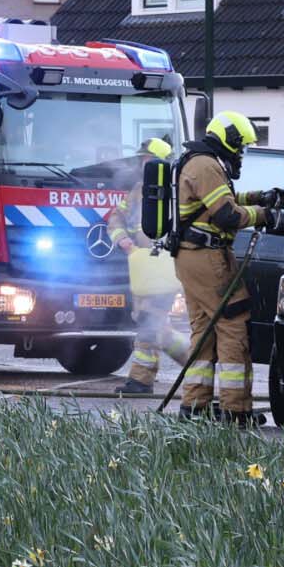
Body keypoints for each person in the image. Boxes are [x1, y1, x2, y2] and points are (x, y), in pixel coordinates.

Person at [173, 112, 284, 424]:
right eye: (241, 146)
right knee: (233, 324)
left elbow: (219, 200)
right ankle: (235, 410)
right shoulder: (206, 165)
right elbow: (227, 215)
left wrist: (258, 197)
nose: (241, 153)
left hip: (192, 255)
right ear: (229, 139)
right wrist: (264, 215)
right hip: (208, 257)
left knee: (204, 330)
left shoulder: (202, 162)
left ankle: (194, 407)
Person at [105, 137, 186, 395]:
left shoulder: (177, 191)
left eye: (146, 160)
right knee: (150, 321)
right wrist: (124, 241)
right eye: (142, 160)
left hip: (164, 264)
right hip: (142, 265)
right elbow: (115, 218)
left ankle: (141, 380)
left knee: (149, 321)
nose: (142, 164)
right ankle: (193, 362)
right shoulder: (139, 189)